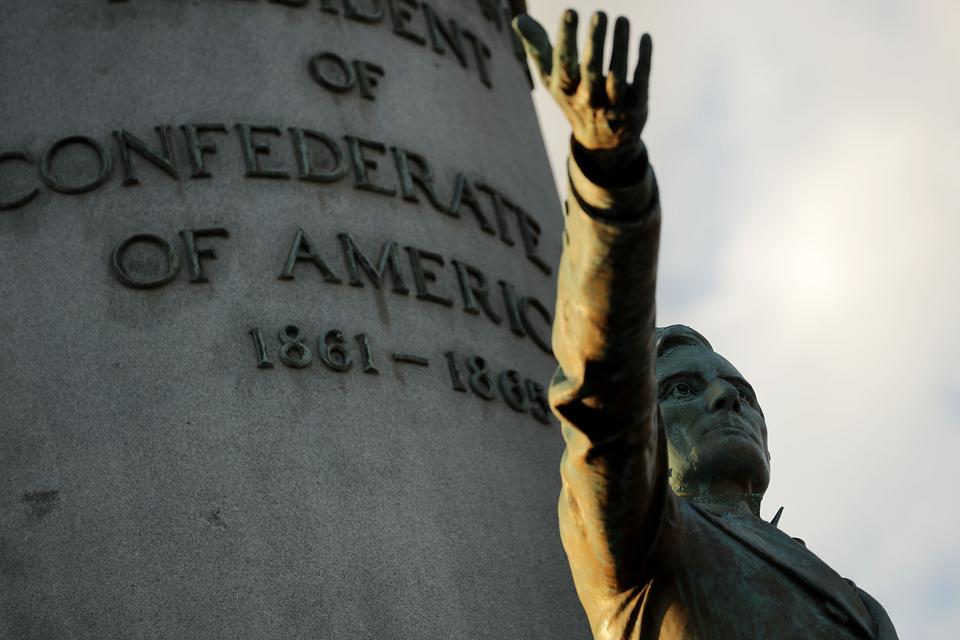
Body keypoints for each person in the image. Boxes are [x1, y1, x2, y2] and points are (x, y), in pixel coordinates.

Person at [512, 10, 898, 639]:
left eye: (742, 394)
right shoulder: (643, 543)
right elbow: (603, 395)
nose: (725, 397)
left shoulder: (857, 604)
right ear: (648, 428)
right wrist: (610, 175)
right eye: (682, 389)